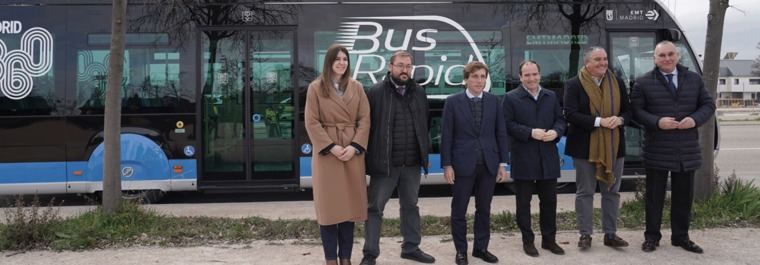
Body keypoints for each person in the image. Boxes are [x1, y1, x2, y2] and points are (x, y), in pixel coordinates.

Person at [631, 40, 715, 254]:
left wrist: (694, 120)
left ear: (678, 56)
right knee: (654, 197)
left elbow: (708, 105)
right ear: (655, 59)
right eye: (662, 55)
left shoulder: (694, 79)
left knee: (683, 198)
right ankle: (652, 237)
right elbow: (637, 112)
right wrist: (657, 121)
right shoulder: (643, 83)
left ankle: (681, 237)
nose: (667, 58)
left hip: (686, 149)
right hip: (657, 148)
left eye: (670, 54)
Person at [360, 51, 435, 265]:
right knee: (375, 209)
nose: (405, 70)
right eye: (400, 65)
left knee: (411, 206)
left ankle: (411, 248)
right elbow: (367, 126)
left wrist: (424, 153)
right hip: (385, 164)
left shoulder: (419, 92)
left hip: (411, 164)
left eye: (408, 66)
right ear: (390, 66)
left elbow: (425, 124)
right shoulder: (375, 92)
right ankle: (370, 254)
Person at [304, 44, 371, 265]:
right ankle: (330, 259)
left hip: (352, 153)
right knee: (329, 209)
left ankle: (346, 259)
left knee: (349, 209)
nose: (342, 62)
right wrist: (331, 147)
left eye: (345, 59)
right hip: (327, 156)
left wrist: (354, 146)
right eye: (337, 59)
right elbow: (311, 122)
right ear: (329, 62)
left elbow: (365, 120)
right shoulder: (316, 88)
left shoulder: (357, 87)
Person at [441, 61, 509, 265]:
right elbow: (447, 135)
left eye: (482, 77)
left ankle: (481, 248)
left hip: (488, 164)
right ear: (466, 79)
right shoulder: (452, 102)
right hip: (462, 165)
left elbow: (501, 133)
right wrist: (447, 165)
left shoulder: (494, 101)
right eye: (475, 76)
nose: (479, 81)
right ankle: (461, 251)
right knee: (459, 210)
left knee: (484, 209)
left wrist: (502, 163)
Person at [563, 46, 631, 250]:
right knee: (585, 192)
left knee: (612, 191)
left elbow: (629, 110)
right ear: (587, 63)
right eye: (597, 60)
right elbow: (570, 114)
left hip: (614, 146)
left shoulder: (616, 82)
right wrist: (600, 121)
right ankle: (585, 235)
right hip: (585, 147)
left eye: (605, 59)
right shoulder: (574, 84)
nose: (603, 63)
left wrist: (619, 119)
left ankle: (610, 234)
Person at [502, 60, 566, 257]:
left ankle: (549, 240)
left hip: (548, 156)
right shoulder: (510, 98)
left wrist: (556, 132)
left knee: (549, 201)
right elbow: (506, 125)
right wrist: (530, 132)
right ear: (520, 77)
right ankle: (528, 241)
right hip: (524, 157)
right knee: (524, 203)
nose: (531, 78)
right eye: (527, 75)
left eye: (534, 74)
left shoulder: (551, 96)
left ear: (540, 75)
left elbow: (560, 120)